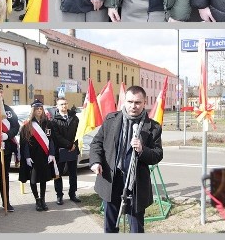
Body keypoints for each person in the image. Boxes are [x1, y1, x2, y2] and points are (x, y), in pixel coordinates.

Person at [89, 86, 163, 233]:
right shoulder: (111, 120)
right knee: (110, 227)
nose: (133, 106)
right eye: (130, 101)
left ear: (144, 102)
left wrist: (142, 150)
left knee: (136, 228)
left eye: (137, 102)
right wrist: (96, 161)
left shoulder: (153, 127)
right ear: (124, 101)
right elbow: (96, 143)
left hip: (136, 184)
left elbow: (157, 154)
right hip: (112, 180)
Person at [18, 100, 57, 211]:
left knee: (44, 179)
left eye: (41, 109)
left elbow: (51, 140)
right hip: (33, 156)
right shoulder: (27, 125)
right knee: (34, 179)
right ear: (33, 110)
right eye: (37, 109)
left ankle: (43, 200)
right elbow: (24, 143)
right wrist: (27, 157)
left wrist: (51, 153)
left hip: (44, 155)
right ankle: (37, 200)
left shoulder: (48, 123)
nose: (39, 111)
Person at [51, 96, 81, 205]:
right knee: (58, 174)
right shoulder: (54, 120)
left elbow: (79, 133)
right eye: (62, 104)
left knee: (73, 173)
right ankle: (59, 195)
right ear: (57, 106)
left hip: (73, 149)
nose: (64, 106)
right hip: (60, 151)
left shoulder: (75, 118)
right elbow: (56, 136)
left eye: (65, 103)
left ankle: (72, 194)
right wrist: (69, 145)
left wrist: (74, 145)